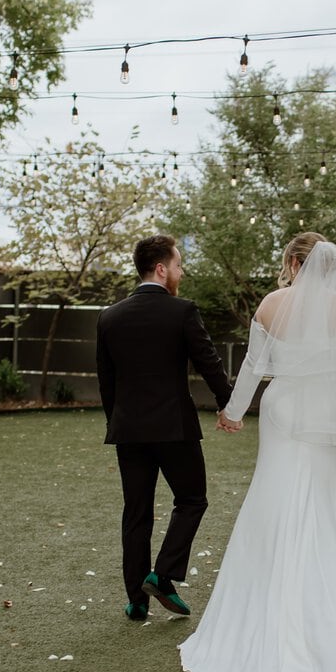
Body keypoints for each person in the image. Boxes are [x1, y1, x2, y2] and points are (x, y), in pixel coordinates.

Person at [179, 232, 336, 672]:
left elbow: (254, 367)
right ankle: (333, 626)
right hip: (331, 410)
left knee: (275, 497)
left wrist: (234, 413)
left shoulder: (272, 305)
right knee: (328, 507)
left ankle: (262, 615)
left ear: (294, 262)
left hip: (285, 408)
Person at [96, 234, 237, 622]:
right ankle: (162, 574)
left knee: (136, 513)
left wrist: (119, 422)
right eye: (178, 266)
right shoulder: (182, 311)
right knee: (192, 500)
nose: (181, 272)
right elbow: (209, 364)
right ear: (161, 268)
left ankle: (136, 601)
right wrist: (230, 405)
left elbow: (106, 382)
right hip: (175, 428)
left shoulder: (109, 316)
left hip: (129, 431)